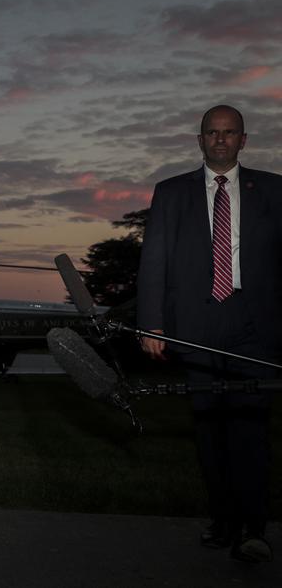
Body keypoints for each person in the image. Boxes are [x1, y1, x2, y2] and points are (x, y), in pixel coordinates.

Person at [138, 104, 282, 563]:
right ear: (200, 140)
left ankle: (253, 528)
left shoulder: (275, 191)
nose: (220, 140)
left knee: (250, 428)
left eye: (229, 133)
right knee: (209, 429)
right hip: (195, 327)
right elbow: (154, 262)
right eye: (211, 133)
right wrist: (152, 324)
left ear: (243, 139)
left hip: (255, 327)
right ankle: (223, 521)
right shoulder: (171, 192)